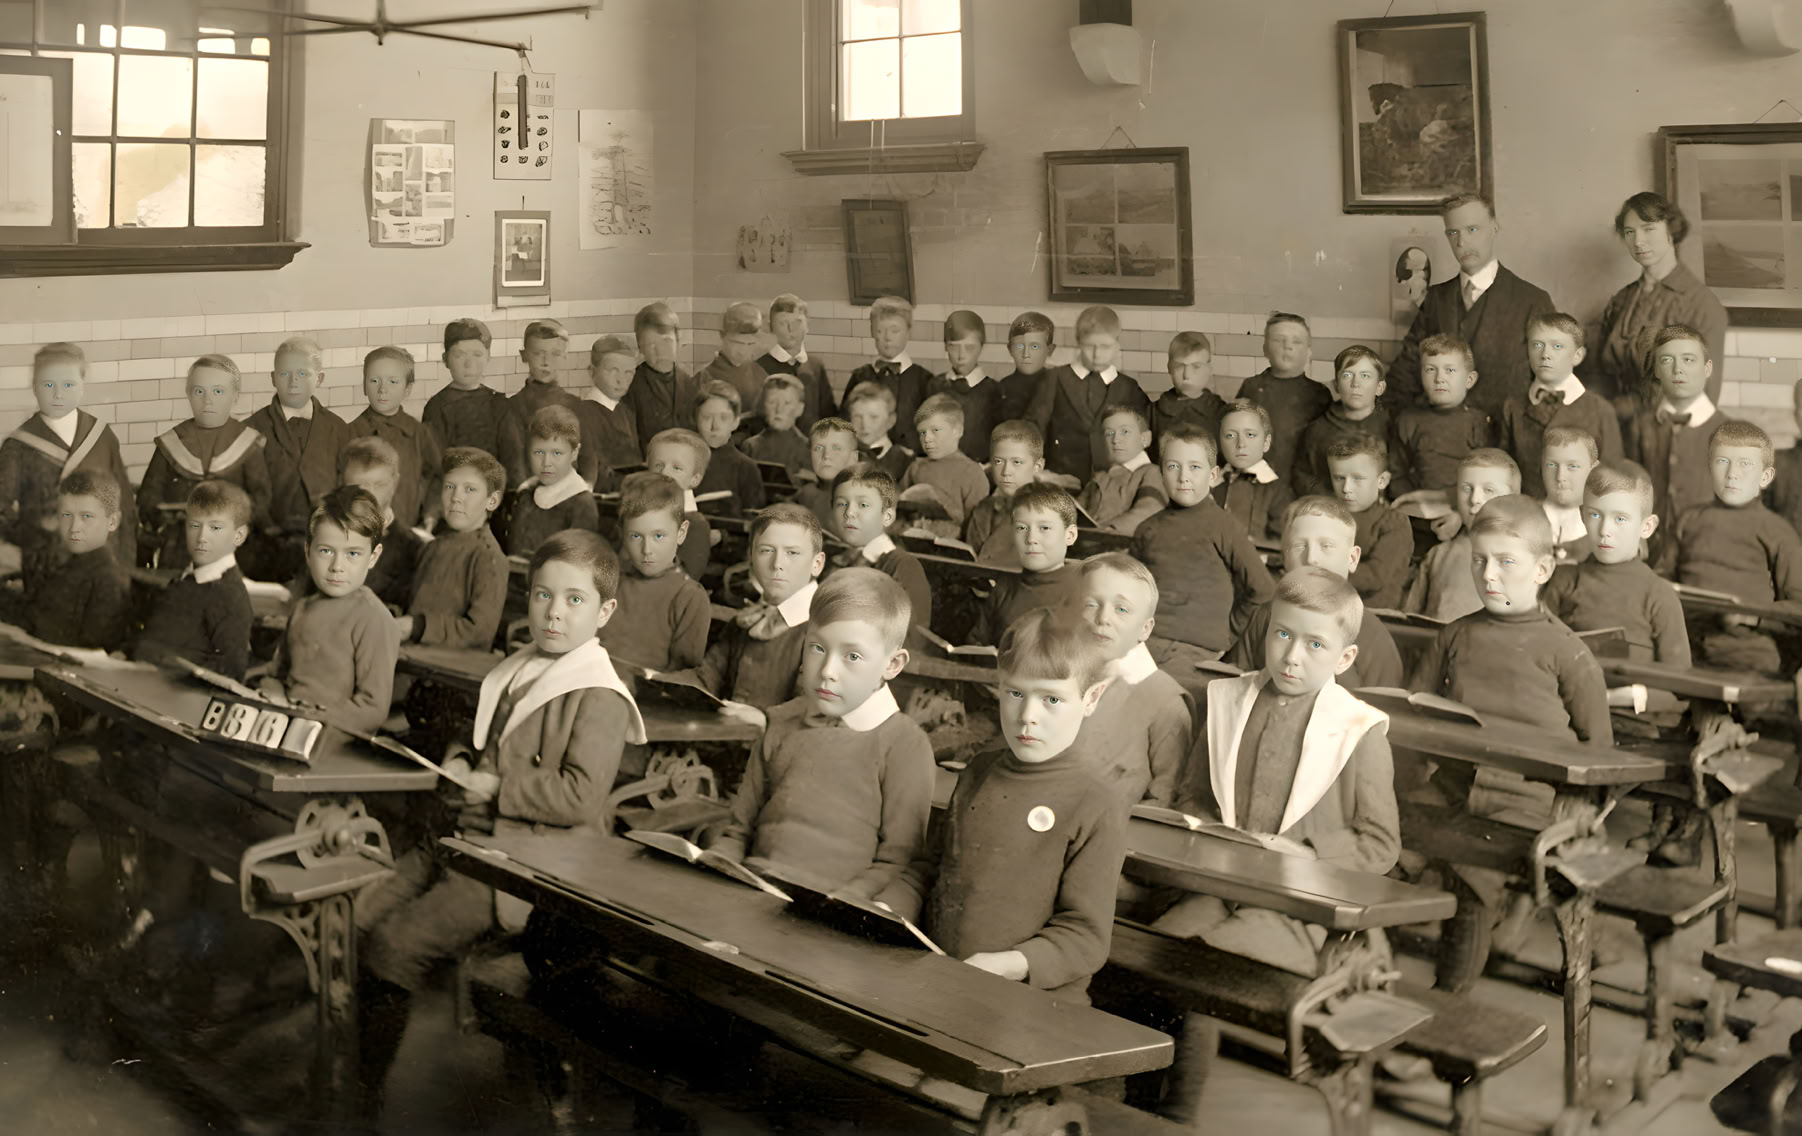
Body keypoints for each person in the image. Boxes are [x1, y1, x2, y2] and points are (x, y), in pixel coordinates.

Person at [358, 530, 644, 1118]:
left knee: (393, 946)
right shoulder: (522, 666)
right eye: (542, 596)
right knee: (355, 913)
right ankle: (354, 1068)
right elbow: (484, 732)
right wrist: (464, 755)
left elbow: (581, 797)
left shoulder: (600, 693)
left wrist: (497, 787)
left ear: (605, 611)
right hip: (469, 839)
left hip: (528, 865)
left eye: (574, 600)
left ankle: (362, 1105)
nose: (554, 613)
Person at [1409, 494, 1611, 992]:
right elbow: (1413, 709)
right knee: (1378, 844)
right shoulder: (1455, 636)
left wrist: (1575, 818)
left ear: (1543, 569)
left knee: (1470, 875)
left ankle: (1446, 1013)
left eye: (1506, 562)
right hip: (1455, 788)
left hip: (1529, 802)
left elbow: (1600, 753)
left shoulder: (1567, 651)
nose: (1489, 575)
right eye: (1479, 560)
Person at [876, 606, 1127, 1003]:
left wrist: (1010, 964)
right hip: (947, 982)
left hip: (1032, 1002)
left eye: (1051, 699)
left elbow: (1085, 935)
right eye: (1014, 693)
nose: (1028, 716)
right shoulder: (978, 771)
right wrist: (888, 909)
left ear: (1091, 697)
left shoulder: (1096, 801)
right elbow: (931, 868)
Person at [709, 566, 936, 896]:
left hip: (833, 911)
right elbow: (738, 833)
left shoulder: (904, 744)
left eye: (852, 656)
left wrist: (844, 904)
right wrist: (716, 864)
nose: (827, 671)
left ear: (892, 664)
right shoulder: (781, 721)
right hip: (753, 890)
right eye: (817, 647)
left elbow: (898, 865)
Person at [1386, 193, 1556, 421]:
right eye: (1453, 233)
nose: (1461, 242)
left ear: (1494, 229)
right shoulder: (1436, 298)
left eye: (1472, 230)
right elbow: (1406, 369)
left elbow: (1551, 384)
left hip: (1504, 440)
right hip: (1440, 434)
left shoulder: (1533, 301)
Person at [1129, 421, 1275, 685]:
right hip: (1145, 642)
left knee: (1169, 703)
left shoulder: (1223, 525)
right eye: (1173, 467)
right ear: (1161, 473)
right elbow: (1131, 592)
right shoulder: (1147, 529)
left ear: (1213, 475)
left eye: (1195, 467)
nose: (1183, 476)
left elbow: (1263, 589)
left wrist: (1226, 633)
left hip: (1198, 649)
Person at [1226, 496, 1405, 691]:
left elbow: (1385, 712)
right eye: (1299, 547)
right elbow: (1234, 685)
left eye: (1326, 546)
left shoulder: (1374, 638)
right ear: (1285, 556)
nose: (1311, 558)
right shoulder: (1265, 616)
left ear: (1352, 558)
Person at [259, 486, 397, 735]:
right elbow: (276, 674)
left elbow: (373, 708)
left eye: (353, 554)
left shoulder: (373, 618)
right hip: (284, 729)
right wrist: (273, 694)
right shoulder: (302, 608)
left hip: (335, 741)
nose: (337, 566)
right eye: (325, 551)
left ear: (373, 557)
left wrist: (311, 721)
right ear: (308, 552)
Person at [0, 342, 135, 592]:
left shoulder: (101, 436)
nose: (58, 394)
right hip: (48, 562)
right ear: (34, 388)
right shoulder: (18, 445)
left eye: (69, 385)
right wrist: (38, 537)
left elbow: (124, 503)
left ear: (82, 386)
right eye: (48, 385)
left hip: (104, 559)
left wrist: (124, 564)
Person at [1064, 552, 1195, 809]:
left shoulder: (1165, 701)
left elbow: (1165, 799)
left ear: (1145, 629)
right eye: (1091, 604)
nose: (1103, 618)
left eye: (1121, 609)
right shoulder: (1056, 676)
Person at [1671, 421, 1802, 675]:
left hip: (1745, 652)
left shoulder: (1777, 532)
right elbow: (1662, 580)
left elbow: (1799, 605)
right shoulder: (1689, 520)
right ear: (1710, 467)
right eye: (1722, 461)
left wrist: (1751, 616)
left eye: (1745, 464)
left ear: (1765, 477)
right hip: (1683, 646)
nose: (1732, 473)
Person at [1588, 192, 1728, 413]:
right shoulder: (1622, 300)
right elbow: (1599, 373)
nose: (1638, 241)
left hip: (1668, 434)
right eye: (1629, 232)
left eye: (1648, 229)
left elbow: (1703, 400)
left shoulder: (1702, 305)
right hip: (1613, 428)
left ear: (1671, 231)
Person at [1543, 462, 1688, 670]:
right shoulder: (1564, 580)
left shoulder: (1659, 594)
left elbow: (1681, 683)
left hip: (1632, 701)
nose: (1604, 530)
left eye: (1620, 518)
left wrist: (1634, 698)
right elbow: (1539, 654)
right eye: (1595, 515)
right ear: (1583, 516)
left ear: (1646, 527)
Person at [682, 502, 825, 711]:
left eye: (792, 553)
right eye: (766, 550)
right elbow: (705, 679)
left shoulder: (825, 630)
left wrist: (765, 720)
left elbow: (812, 710)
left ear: (817, 563)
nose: (777, 564)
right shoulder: (747, 620)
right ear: (751, 558)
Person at [138, 354, 270, 571]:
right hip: (179, 544)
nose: (208, 400)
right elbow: (148, 496)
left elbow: (261, 498)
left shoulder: (247, 442)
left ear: (235, 397)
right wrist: (164, 513)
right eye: (199, 391)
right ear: (188, 394)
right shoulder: (172, 442)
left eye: (218, 391)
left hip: (233, 548)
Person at [1625, 324, 1731, 571]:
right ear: (1657, 371)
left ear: (1707, 369)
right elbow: (1630, 487)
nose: (1677, 369)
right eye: (1666, 360)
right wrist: (1636, 535)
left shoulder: (1726, 430)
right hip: (1650, 553)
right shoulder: (1640, 426)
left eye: (1688, 360)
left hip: (1708, 555)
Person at [246, 336, 349, 582]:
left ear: (319, 378)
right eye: (285, 374)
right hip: (266, 549)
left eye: (303, 374)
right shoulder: (250, 430)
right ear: (272, 378)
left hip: (326, 549)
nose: (293, 383)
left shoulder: (339, 429)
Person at [133, 480, 256, 680]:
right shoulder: (184, 581)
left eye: (215, 528)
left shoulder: (229, 596)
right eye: (194, 525)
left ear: (239, 536)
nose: (202, 537)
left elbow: (231, 673)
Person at [1498, 314, 1623, 500]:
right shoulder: (1513, 407)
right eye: (1537, 345)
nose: (1545, 354)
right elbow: (1502, 472)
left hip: (1581, 519)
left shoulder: (1600, 410)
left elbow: (1612, 478)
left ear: (1577, 356)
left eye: (1557, 346)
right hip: (1528, 514)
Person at [595, 472, 710, 673]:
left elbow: (684, 675)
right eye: (636, 536)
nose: (647, 549)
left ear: (681, 533)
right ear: (622, 533)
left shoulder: (689, 597)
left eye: (658, 536)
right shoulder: (608, 580)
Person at [1027, 304, 1150, 489]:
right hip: (1061, 483)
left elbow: (1143, 440)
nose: (1097, 354)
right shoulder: (1055, 379)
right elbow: (1032, 429)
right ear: (1078, 342)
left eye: (1105, 347)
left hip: (1112, 489)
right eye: (1089, 346)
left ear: (1117, 345)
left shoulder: (1128, 388)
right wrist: (1039, 473)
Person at [400, 447, 509, 651]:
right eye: (450, 486)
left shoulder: (488, 558)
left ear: (492, 501)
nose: (455, 497)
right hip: (411, 657)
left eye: (469, 489)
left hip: (450, 671)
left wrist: (417, 626)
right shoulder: (432, 548)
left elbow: (479, 632)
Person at [1402, 449, 1518, 623]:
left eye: (1489, 489)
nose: (1474, 499)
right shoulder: (1438, 555)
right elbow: (1410, 619)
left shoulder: (1523, 558)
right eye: (1466, 488)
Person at [971, 482, 1085, 645]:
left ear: (1070, 535)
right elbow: (976, 643)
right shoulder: (1004, 588)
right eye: (1022, 528)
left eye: (1044, 528)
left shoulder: (1086, 592)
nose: (1031, 539)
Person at [1387, 333, 1495, 504]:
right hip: (1418, 508)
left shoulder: (1479, 422)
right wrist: (1413, 502)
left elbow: (1490, 479)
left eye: (1450, 370)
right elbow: (1396, 475)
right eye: (1430, 370)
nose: (1439, 379)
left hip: (1468, 508)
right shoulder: (1408, 420)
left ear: (1470, 379)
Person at [31, 471, 131, 651]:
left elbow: (93, 652)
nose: (74, 528)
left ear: (113, 522)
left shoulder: (108, 580)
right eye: (66, 515)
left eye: (86, 517)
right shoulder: (64, 565)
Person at [349, 346, 443, 531]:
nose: (383, 389)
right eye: (374, 381)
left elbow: (437, 477)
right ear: (364, 386)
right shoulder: (350, 432)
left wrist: (430, 515)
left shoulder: (418, 433)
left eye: (393, 382)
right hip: (362, 531)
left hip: (409, 527)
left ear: (407, 389)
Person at [828, 465, 930, 634]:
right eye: (841, 503)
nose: (849, 512)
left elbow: (908, 635)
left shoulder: (903, 567)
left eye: (863, 504)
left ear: (887, 516)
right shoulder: (830, 558)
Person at [1235, 313, 1331, 484]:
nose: (1288, 347)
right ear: (1265, 349)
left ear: (1309, 352)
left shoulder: (1319, 394)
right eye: (1279, 340)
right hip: (1260, 480)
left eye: (1297, 341)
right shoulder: (1252, 388)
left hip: (1303, 484)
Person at [494, 320, 583, 494]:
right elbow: (514, 461)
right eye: (538, 353)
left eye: (555, 354)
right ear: (524, 355)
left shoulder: (576, 405)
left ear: (565, 356)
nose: (545, 362)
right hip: (532, 494)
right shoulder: (513, 407)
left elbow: (586, 459)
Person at [1293, 346, 1391, 499]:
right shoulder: (1319, 430)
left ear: (1379, 387)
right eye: (1347, 375)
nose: (1355, 383)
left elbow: (1399, 475)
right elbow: (1303, 476)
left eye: (1365, 376)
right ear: (1336, 385)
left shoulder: (1391, 427)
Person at [1326, 435, 1410, 610]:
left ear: (1382, 481)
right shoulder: (1327, 515)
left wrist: (1321, 572)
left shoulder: (1394, 522)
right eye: (1339, 478)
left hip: (1371, 613)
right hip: (1327, 603)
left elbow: (1375, 576)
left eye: (1357, 479)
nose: (1346, 488)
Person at [839, 295, 932, 452]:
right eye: (880, 331)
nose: (888, 338)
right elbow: (844, 423)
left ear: (909, 332)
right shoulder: (860, 376)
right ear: (872, 332)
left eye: (895, 330)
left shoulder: (924, 380)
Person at [506, 405, 600, 557]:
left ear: (574, 453)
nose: (546, 462)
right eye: (539, 452)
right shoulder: (525, 494)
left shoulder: (581, 503)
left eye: (557, 453)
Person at [336, 438, 418, 609]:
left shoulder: (413, 549)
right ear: (341, 483)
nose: (370, 496)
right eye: (359, 486)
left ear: (395, 483)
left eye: (380, 485)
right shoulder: (321, 533)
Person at [898, 393, 990, 539]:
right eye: (922, 433)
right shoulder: (916, 467)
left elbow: (976, 527)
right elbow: (899, 509)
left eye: (935, 430)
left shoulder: (972, 472)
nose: (927, 439)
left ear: (957, 431)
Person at [1212, 398, 1293, 542]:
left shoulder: (1278, 492)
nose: (1241, 444)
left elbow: (1280, 545)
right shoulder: (1211, 483)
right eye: (1230, 435)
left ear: (1266, 443)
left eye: (1250, 435)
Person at [966, 419, 1045, 568]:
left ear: (1038, 466)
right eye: (998, 462)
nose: (1006, 472)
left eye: (1017, 462)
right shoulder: (984, 509)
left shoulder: (1048, 513)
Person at [423, 318, 506, 457]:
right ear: (445, 359)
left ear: (488, 357)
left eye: (477, 354)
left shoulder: (498, 403)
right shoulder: (437, 407)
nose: (469, 363)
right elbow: (433, 462)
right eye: (459, 355)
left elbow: (511, 455)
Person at [620, 302, 699, 445]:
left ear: (678, 340)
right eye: (651, 345)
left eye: (666, 341)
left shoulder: (690, 384)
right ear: (640, 348)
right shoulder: (629, 387)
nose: (660, 351)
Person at [642, 428, 715, 581]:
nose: (664, 473)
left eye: (677, 468)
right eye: (658, 465)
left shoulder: (695, 525)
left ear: (694, 479)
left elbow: (684, 580)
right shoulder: (637, 512)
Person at [927, 309, 1000, 462]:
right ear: (945, 346)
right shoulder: (934, 386)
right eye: (954, 346)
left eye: (970, 347)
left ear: (982, 347)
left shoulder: (994, 391)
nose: (961, 355)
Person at [1080, 405, 1166, 535]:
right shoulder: (1100, 476)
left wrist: (1109, 529)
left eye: (1125, 432)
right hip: (1089, 542)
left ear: (1145, 439)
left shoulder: (1152, 472)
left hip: (1122, 545)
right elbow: (1077, 509)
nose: (1115, 440)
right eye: (1109, 433)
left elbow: (1148, 510)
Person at [756, 294, 834, 431]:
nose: (790, 329)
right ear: (770, 327)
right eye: (782, 323)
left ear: (807, 325)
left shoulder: (815, 367)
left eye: (797, 322)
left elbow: (827, 413)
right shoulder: (760, 367)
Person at [694, 301, 771, 436]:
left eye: (750, 344)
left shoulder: (761, 374)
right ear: (722, 336)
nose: (743, 351)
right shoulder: (704, 377)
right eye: (737, 343)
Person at [693, 380, 766, 515]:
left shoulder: (746, 468)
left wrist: (722, 535)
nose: (715, 426)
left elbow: (752, 521)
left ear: (735, 422)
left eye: (723, 418)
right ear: (695, 419)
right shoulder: (682, 459)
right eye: (707, 417)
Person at [575, 334, 642, 479]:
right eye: (613, 371)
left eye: (628, 373)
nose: (621, 380)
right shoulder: (582, 415)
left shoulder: (627, 412)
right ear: (592, 372)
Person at [1153, 331, 1228, 456]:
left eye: (1196, 366)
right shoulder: (1152, 413)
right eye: (1179, 366)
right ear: (1169, 368)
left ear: (1209, 370)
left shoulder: (1221, 412)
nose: (1186, 375)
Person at [1538, 427, 1600, 563]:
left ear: (1593, 470)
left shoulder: (1604, 525)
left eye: (1572, 466)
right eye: (1552, 465)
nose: (1560, 477)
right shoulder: (1527, 517)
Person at [793, 417, 858, 534]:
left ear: (854, 457)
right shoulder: (804, 495)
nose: (826, 455)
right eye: (818, 448)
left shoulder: (863, 499)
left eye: (836, 448)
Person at [741, 374, 811, 473]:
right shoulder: (750, 447)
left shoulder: (807, 449)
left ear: (799, 409)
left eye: (787, 403)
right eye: (772, 402)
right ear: (763, 405)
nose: (779, 409)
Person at [997, 311, 1055, 425]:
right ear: (1010, 349)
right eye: (1019, 346)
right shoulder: (1002, 388)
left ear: (1049, 350)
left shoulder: (1056, 385)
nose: (1026, 354)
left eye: (1034, 346)